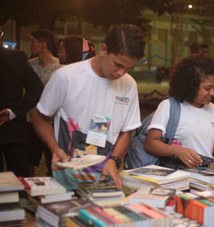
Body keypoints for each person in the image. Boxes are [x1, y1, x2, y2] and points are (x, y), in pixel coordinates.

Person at [32, 24, 145, 189]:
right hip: (66, 178)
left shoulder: (129, 84)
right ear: (104, 49)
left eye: (128, 68)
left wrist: (114, 159)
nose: (121, 73)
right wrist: (54, 148)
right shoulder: (65, 77)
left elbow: (127, 131)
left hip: (105, 180)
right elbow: (40, 117)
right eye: (118, 64)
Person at [144, 56, 214, 169]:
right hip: (173, 172)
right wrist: (177, 151)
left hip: (202, 172)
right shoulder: (169, 106)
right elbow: (151, 143)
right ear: (191, 86)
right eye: (208, 88)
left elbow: (211, 145)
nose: (213, 93)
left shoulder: (211, 108)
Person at [0, 45, 44, 177]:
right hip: (15, 129)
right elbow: (36, 90)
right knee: (20, 183)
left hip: (15, 132)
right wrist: (13, 111)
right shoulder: (17, 58)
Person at [29, 29, 62, 176]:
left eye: (33, 41)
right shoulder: (28, 65)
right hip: (30, 122)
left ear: (42, 44)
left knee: (52, 162)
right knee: (28, 162)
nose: (31, 45)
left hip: (51, 124)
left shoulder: (60, 68)